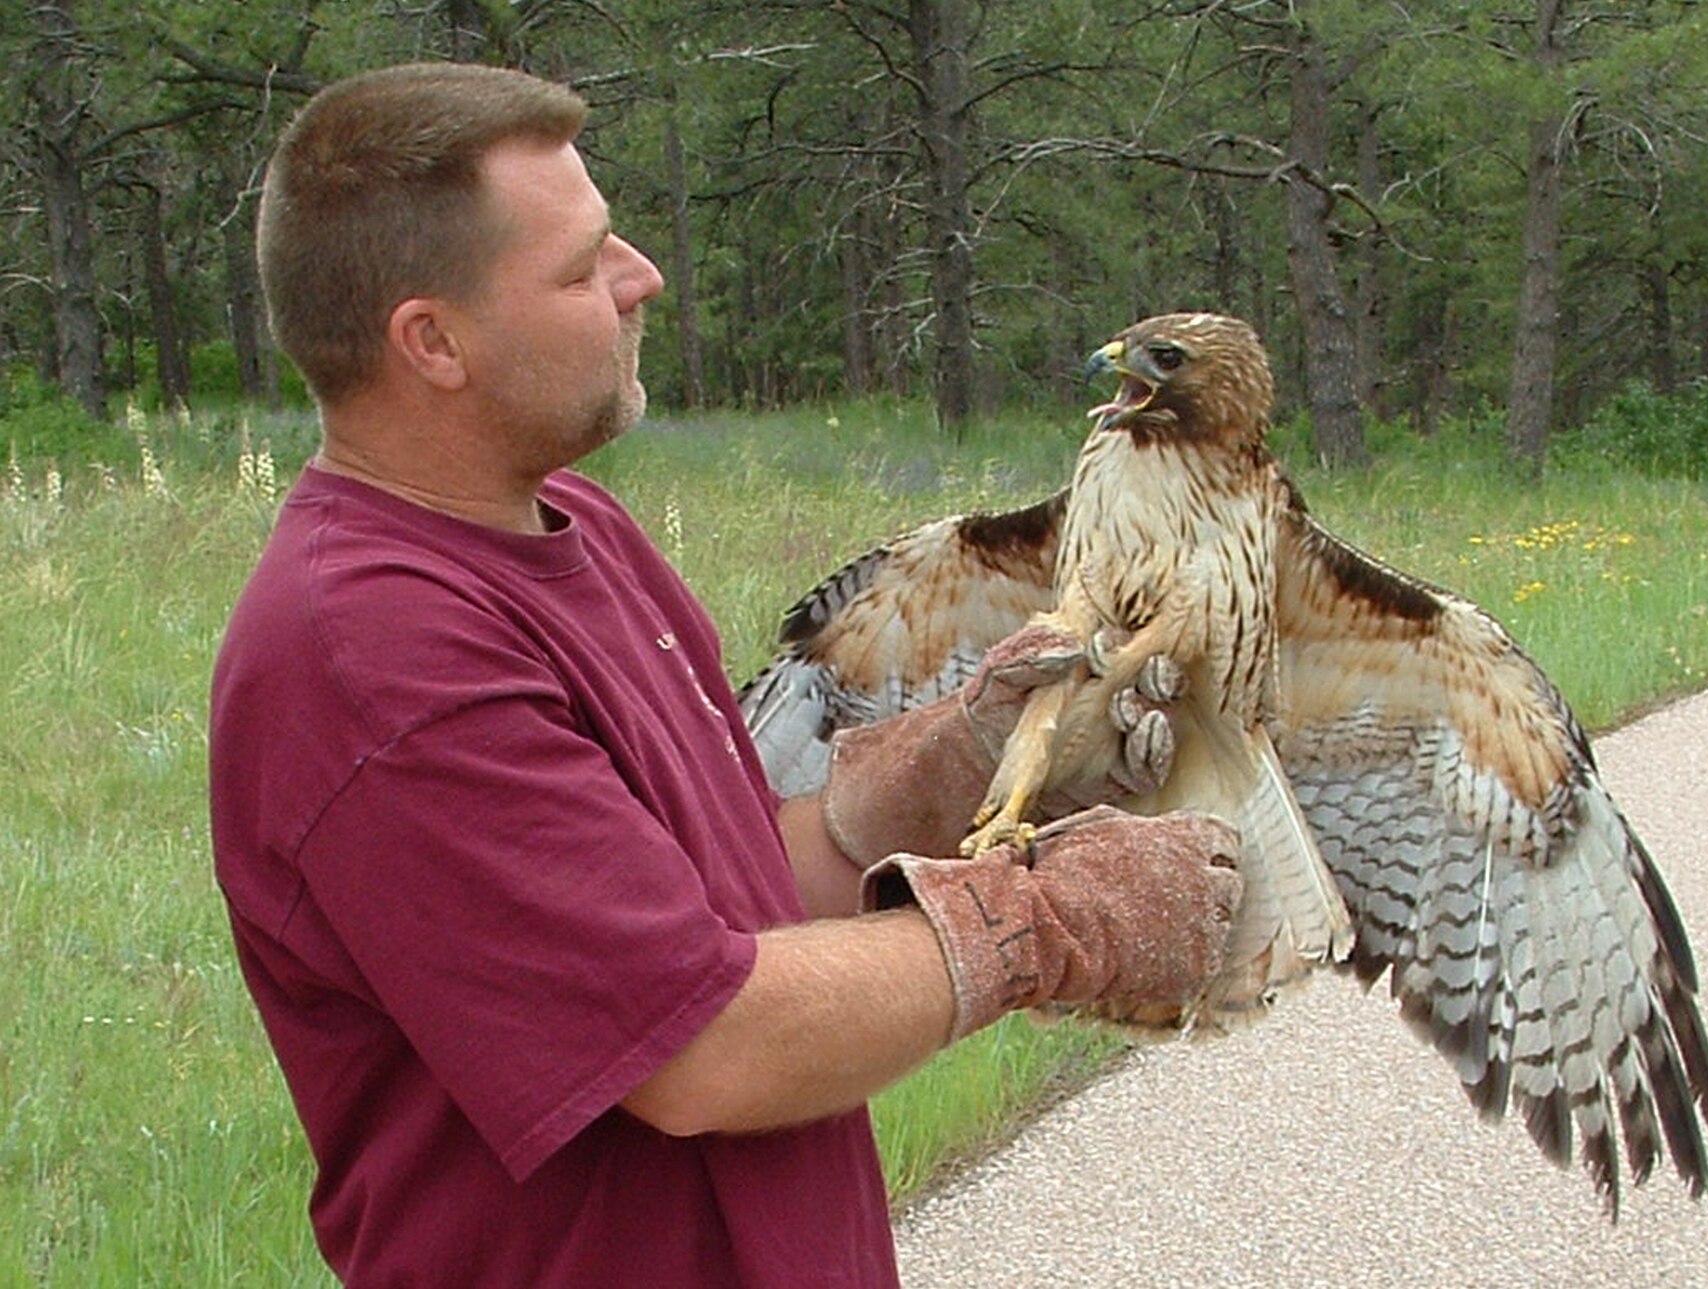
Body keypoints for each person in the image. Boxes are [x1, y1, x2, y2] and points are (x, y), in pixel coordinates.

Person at [209, 62, 1242, 1288]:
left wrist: (951, 762)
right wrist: (1050, 923)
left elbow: (729, 896)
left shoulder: (576, 529)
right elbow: (700, 1047)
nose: (641, 276)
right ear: (433, 341)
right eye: (582, 264)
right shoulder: (372, 647)